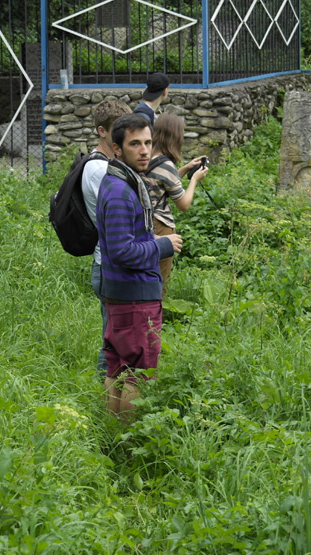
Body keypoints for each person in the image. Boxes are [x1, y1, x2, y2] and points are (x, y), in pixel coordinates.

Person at [96, 112, 182, 422]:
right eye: (135, 144)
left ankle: (111, 436)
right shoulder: (120, 190)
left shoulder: (122, 180)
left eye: (148, 142)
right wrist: (163, 244)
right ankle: (129, 445)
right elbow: (121, 251)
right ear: (117, 149)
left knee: (117, 368)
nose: (144, 150)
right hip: (134, 298)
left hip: (122, 295)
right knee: (138, 374)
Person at [80, 99, 131, 378]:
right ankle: (105, 397)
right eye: (118, 130)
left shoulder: (110, 164)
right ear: (102, 131)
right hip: (110, 264)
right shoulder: (100, 170)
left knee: (118, 336)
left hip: (111, 260)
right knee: (112, 340)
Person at [143, 113, 208, 297]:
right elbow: (184, 204)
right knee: (159, 281)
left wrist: (185, 168)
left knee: (146, 275)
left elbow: (162, 185)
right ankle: (155, 320)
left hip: (146, 222)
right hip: (161, 226)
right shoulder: (166, 165)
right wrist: (194, 179)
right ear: (175, 136)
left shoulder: (150, 157)